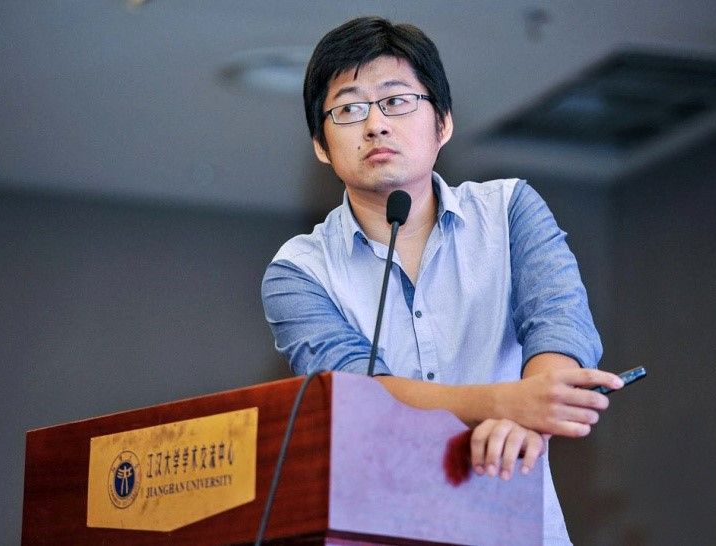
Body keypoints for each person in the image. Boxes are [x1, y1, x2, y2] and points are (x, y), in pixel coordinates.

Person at [261, 16, 623, 544]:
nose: (375, 124)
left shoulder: (510, 210)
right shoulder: (298, 271)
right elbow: (361, 399)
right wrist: (507, 403)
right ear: (321, 142)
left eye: (396, 100)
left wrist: (528, 416)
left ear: (443, 122)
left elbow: (559, 325)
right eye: (349, 109)